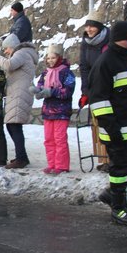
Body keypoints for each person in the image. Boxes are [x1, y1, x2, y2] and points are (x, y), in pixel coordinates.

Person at [88, 21, 127, 227]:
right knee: (119, 169)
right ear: (118, 38)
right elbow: (99, 100)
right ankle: (119, 208)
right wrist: (112, 128)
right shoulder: (106, 63)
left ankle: (112, 193)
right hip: (117, 129)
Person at [0, 34, 37, 169]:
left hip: (19, 94)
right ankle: (21, 156)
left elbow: (9, 65)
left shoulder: (21, 53)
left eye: (6, 49)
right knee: (12, 126)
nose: (5, 52)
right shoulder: (24, 54)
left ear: (12, 46)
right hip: (17, 93)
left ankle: (21, 158)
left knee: (14, 126)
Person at [31, 44, 75, 174]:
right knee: (49, 139)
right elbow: (40, 86)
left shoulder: (67, 72)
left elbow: (68, 91)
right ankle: (52, 164)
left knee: (59, 139)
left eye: (53, 58)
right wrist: (37, 91)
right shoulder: (45, 73)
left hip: (61, 111)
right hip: (48, 111)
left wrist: (51, 91)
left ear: (59, 58)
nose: (50, 61)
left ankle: (61, 166)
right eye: (48, 58)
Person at [78, 7, 110, 171]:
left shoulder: (108, 41)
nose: (89, 30)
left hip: (107, 88)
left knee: (108, 125)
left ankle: (111, 158)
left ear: (99, 27)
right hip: (93, 88)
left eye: (93, 26)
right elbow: (84, 67)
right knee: (97, 126)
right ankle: (103, 159)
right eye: (87, 26)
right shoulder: (85, 43)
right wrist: (85, 90)